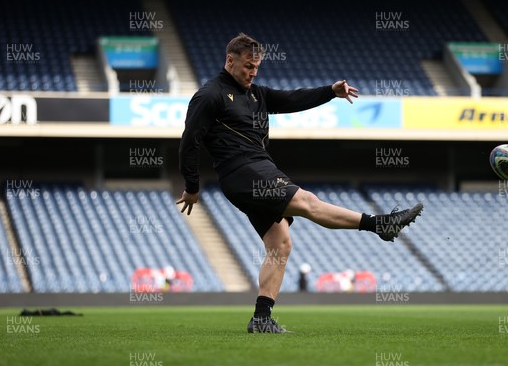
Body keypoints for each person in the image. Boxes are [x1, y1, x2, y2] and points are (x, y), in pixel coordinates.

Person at [176, 32, 423, 333]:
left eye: (256, 67)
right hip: (241, 171)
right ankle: (380, 224)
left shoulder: (257, 94)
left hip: (257, 168)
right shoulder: (210, 95)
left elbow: (292, 99)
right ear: (230, 60)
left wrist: (330, 91)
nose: (252, 72)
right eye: (247, 66)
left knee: (280, 244)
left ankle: (261, 319)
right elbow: (190, 140)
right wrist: (191, 186)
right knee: (306, 202)